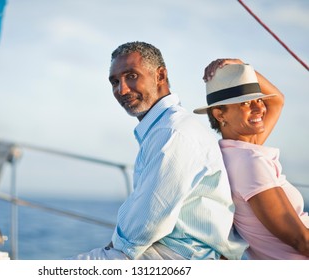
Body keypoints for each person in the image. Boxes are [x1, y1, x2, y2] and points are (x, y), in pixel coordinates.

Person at [69, 42, 247, 260]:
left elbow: (145, 224)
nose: (121, 90)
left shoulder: (173, 132)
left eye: (131, 76)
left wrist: (110, 252)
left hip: (185, 257)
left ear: (160, 76)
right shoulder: (163, 128)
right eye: (115, 82)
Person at [193, 59, 309, 259]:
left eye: (258, 99)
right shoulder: (249, 162)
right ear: (220, 114)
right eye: (245, 103)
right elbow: (302, 241)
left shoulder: (235, 151)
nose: (259, 108)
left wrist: (243, 68)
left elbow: (276, 100)